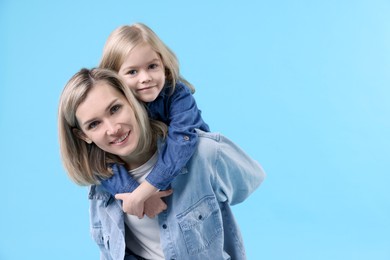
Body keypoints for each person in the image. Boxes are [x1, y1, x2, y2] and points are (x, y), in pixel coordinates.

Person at [58, 68, 266, 259]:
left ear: (132, 100)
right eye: (94, 124)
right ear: (83, 136)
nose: (113, 129)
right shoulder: (101, 185)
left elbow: (250, 179)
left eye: (115, 109)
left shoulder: (203, 153)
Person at [98, 23, 210, 218]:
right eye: (132, 72)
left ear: (163, 65)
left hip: (189, 178)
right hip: (146, 188)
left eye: (152, 66)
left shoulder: (177, 93)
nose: (145, 78)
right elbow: (97, 159)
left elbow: (182, 141)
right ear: (114, 79)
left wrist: (144, 192)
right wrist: (135, 194)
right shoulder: (113, 109)